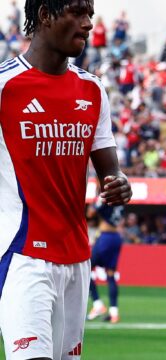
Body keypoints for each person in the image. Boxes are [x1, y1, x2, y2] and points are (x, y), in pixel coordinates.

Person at [0, 0, 132, 358]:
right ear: (45, 15)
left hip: (76, 258)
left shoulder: (92, 90)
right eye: (76, 12)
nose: (88, 23)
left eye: (89, 13)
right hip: (22, 254)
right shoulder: (5, 87)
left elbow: (110, 171)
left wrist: (119, 183)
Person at [86, 200, 125, 324]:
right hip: (116, 237)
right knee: (111, 274)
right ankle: (114, 313)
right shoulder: (119, 197)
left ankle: (98, 305)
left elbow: (90, 213)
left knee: (85, 269)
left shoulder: (105, 196)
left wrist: (94, 203)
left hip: (105, 237)